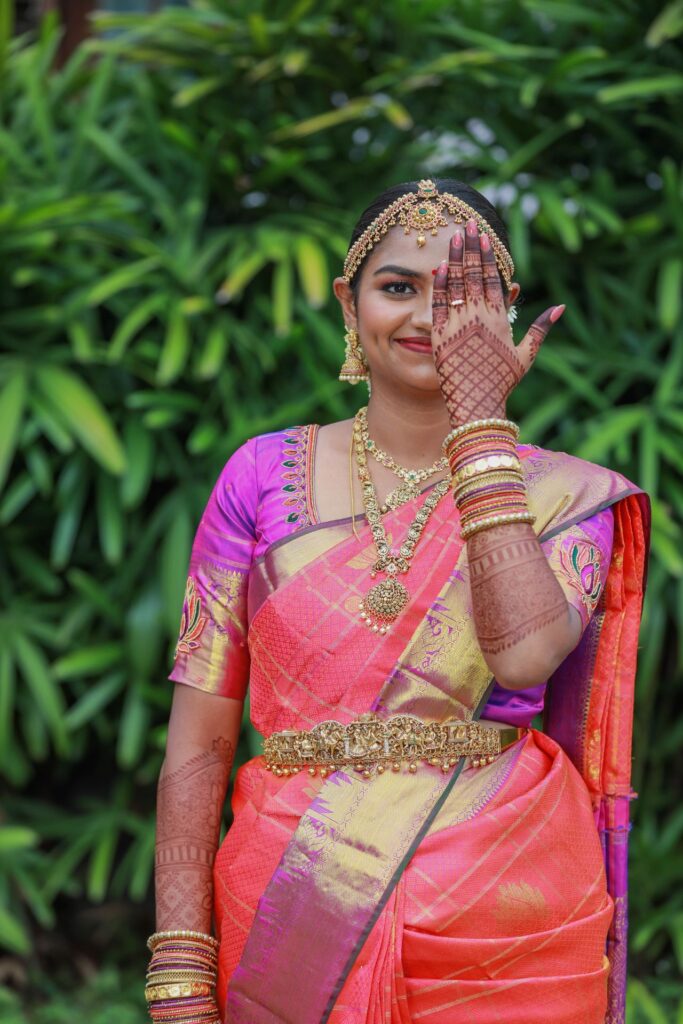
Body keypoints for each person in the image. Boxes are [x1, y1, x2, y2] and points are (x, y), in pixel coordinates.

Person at [145, 179, 650, 1024]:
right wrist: (179, 962)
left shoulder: (564, 496)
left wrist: (480, 426)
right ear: (350, 303)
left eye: (459, 296)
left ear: (504, 312)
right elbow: (199, 740)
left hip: (505, 907)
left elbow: (524, 655)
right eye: (397, 287)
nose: (426, 317)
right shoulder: (260, 477)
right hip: (289, 898)